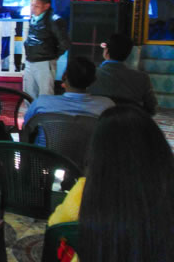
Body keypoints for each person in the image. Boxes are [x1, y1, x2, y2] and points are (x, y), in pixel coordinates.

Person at [48, 106, 174, 262]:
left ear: (97, 150)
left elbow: (55, 226)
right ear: (157, 145)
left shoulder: (83, 191)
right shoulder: (166, 189)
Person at [22, 57, 115, 146]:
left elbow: (26, 128)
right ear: (93, 80)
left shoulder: (41, 104)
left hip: (44, 157)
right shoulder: (107, 106)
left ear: (64, 77)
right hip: (88, 157)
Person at [88, 33, 157, 115]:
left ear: (106, 51)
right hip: (129, 121)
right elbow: (151, 109)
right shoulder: (142, 78)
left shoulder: (90, 75)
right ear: (128, 54)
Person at [23, 0, 70, 98]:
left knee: (45, 94)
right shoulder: (33, 19)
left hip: (45, 62)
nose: (33, 8)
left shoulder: (54, 20)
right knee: (28, 94)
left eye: (36, 6)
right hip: (30, 61)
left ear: (46, 6)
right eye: (32, 5)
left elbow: (64, 43)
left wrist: (54, 56)